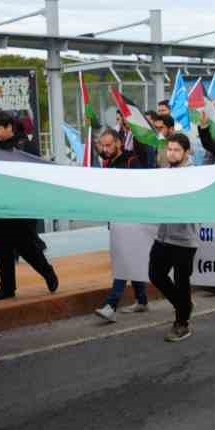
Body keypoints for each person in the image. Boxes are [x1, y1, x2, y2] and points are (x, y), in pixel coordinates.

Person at [0, 110, 60, 301]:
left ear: (9, 127)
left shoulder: (24, 146)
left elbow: (36, 172)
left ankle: (48, 272)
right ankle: (7, 287)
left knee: (26, 247)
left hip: (19, 207)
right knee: (0, 248)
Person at [93, 129, 151, 323]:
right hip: (117, 219)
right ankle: (141, 300)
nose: (105, 149)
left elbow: (142, 187)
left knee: (124, 261)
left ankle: (111, 305)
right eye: (103, 146)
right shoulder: (108, 163)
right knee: (129, 259)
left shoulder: (131, 161)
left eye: (109, 145)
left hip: (132, 219)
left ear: (118, 143)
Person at [149, 134, 199, 341]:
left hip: (184, 239)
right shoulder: (165, 173)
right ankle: (184, 305)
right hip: (163, 236)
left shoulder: (194, 175)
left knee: (181, 281)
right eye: (169, 149)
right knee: (155, 274)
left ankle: (182, 323)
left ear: (186, 152)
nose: (171, 153)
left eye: (176, 150)